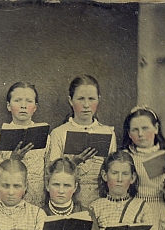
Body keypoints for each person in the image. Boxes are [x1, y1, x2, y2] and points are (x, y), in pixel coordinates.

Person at [45, 75, 117, 207]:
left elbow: (113, 169)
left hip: (101, 200)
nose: (86, 105)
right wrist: (73, 163)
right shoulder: (59, 133)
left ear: (98, 100)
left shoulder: (108, 132)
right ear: (70, 101)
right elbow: (51, 173)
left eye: (91, 99)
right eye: (80, 99)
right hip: (69, 200)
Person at [0, 81, 49, 207]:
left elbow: (49, 172)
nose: (23, 106)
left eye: (29, 101)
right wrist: (13, 160)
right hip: (8, 202)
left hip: (38, 204)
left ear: (35, 107)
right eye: (17, 100)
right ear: (8, 106)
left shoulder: (46, 138)